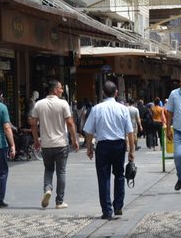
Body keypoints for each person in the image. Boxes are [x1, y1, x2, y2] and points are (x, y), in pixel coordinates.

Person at [84, 81, 135, 220]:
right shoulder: (123, 109)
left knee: (103, 178)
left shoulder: (96, 109)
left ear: (102, 93)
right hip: (119, 145)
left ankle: (107, 210)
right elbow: (130, 132)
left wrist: (89, 148)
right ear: (116, 93)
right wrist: (132, 150)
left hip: (103, 146)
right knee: (119, 175)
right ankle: (118, 206)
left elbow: (89, 131)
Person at [30, 80, 79, 209]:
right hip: (61, 143)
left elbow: (33, 123)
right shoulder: (63, 104)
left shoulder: (39, 104)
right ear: (56, 90)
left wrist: (36, 140)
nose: (62, 90)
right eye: (61, 88)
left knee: (48, 169)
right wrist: (74, 140)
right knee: (61, 172)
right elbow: (69, 122)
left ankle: (47, 189)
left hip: (46, 144)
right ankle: (59, 201)